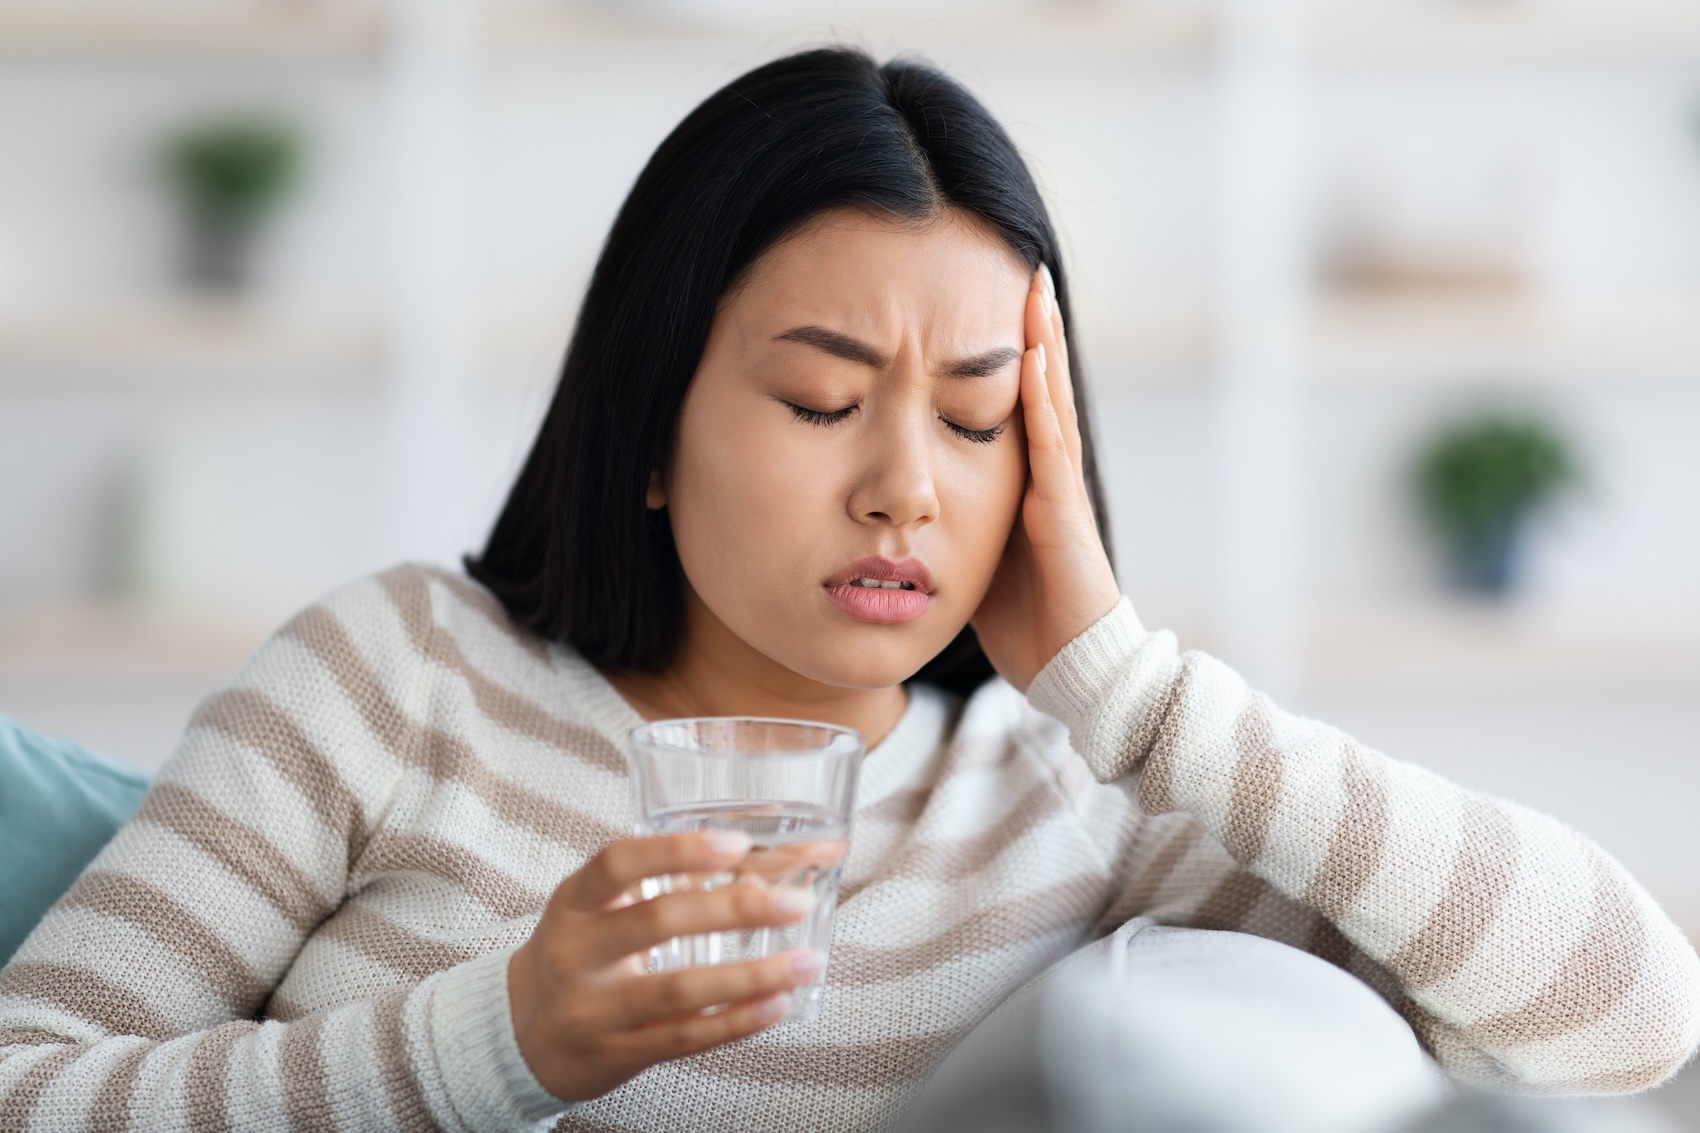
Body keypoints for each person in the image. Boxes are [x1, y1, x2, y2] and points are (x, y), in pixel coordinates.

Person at [1, 48, 1695, 1133]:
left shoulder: (1070, 790)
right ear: (649, 421)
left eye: (976, 416)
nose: (907, 481)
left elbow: (1627, 1021)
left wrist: (1124, 684)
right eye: (821, 402)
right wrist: (492, 1041)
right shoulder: (394, 674)